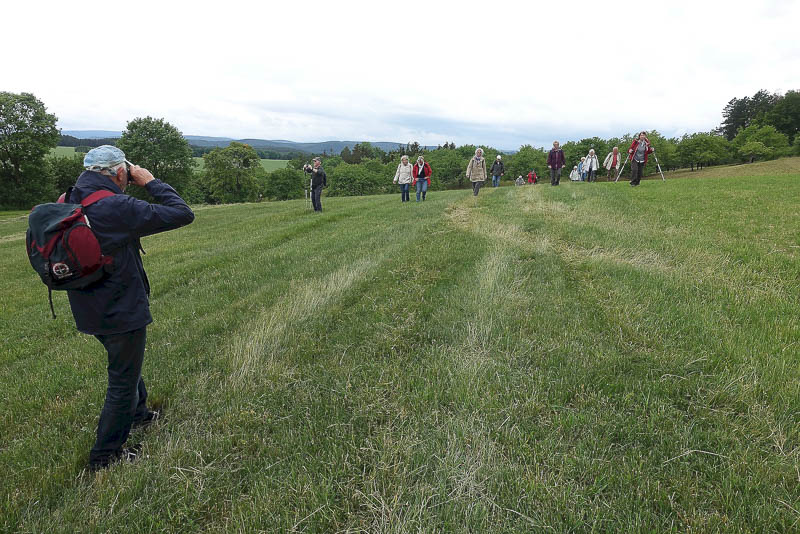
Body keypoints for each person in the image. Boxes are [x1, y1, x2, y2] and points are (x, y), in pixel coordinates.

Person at [66, 145, 195, 471]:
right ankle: (105, 457)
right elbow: (182, 212)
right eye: (128, 171)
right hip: (118, 305)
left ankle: (138, 414)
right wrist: (150, 181)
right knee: (121, 381)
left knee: (125, 363)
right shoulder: (116, 206)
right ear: (121, 172)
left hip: (87, 302)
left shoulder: (71, 198)